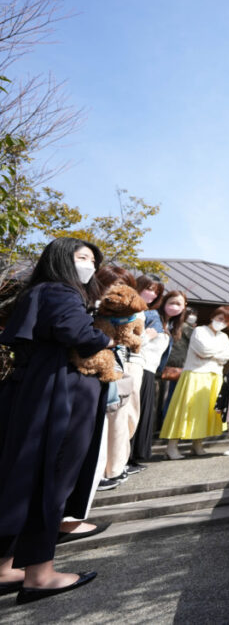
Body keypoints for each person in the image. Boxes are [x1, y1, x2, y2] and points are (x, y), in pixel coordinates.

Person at [0, 238, 113, 603]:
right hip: (61, 391)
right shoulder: (62, 293)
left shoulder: (36, 292)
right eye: (82, 258)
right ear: (61, 258)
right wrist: (105, 339)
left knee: (27, 477)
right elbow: (79, 335)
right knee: (54, 477)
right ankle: (41, 574)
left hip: (36, 388)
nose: (89, 266)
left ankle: (6, 567)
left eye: (92, 261)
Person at [159, 306, 229, 459]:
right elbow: (202, 350)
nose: (222, 322)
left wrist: (212, 355)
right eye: (220, 318)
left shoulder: (223, 337)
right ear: (213, 316)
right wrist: (217, 355)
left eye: (226, 321)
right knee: (185, 411)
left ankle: (197, 445)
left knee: (205, 413)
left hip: (214, 376)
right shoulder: (199, 330)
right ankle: (171, 447)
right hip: (195, 374)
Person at [94, 266, 144, 491]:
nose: (114, 292)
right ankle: (101, 472)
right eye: (111, 286)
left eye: (121, 287)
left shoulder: (133, 313)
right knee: (104, 420)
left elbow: (134, 338)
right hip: (98, 364)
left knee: (120, 418)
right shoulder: (92, 306)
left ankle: (115, 467)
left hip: (121, 365)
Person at [128, 274, 169, 468]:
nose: (152, 295)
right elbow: (128, 340)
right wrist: (147, 336)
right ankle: (125, 458)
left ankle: (134, 456)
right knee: (131, 414)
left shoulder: (151, 314)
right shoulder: (131, 309)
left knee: (142, 413)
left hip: (147, 368)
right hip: (131, 365)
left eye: (156, 292)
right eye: (149, 289)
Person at [155, 294, 191, 430]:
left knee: (171, 400)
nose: (175, 307)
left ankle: (165, 428)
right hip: (155, 369)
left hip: (176, 370)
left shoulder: (185, 327)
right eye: (172, 303)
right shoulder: (156, 319)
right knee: (156, 400)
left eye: (179, 304)